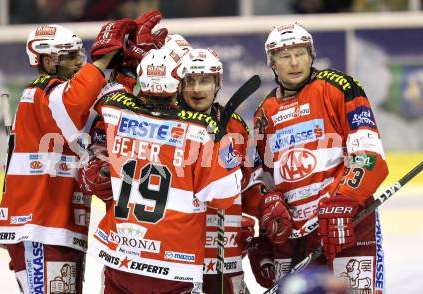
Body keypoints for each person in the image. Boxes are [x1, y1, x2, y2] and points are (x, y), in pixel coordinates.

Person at [0, 14, 165, 293]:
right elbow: (75, 101)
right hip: (38, 225)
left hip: (58, 225)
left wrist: (130, 67)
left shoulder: (64, 98)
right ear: (47, 61)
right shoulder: (40, 93)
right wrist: (104, 58)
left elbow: (104, 112)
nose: (80, 61)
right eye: (71, 56)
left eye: (81, 54)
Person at [83, 47, 242, 293]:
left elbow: (109, 88)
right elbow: (224, 196)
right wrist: (222, 143)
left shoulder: (115, 110)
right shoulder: (203, 131)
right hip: (173, 264)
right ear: (178, 86)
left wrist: (134, 56)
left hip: (119, 258)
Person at [252, 23, 389, 294]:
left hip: (348, 226)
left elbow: (370, 155)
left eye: (300, 53)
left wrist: (345, 200)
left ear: (311, 55)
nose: (294, 62)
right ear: (272, 63)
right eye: (284, 55)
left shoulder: (339, 87)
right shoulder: (264, 113)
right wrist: (267, 224)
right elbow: (263, 181)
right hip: (293, 240)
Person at [179, 48, 264, 294]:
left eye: (205, 81)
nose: (197, 89)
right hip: (178, 254)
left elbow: (244, 180)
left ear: (217, 83)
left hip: (224, 254)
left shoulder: (236, 124)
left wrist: (251, 216)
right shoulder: (171, 120)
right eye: (190, 81)